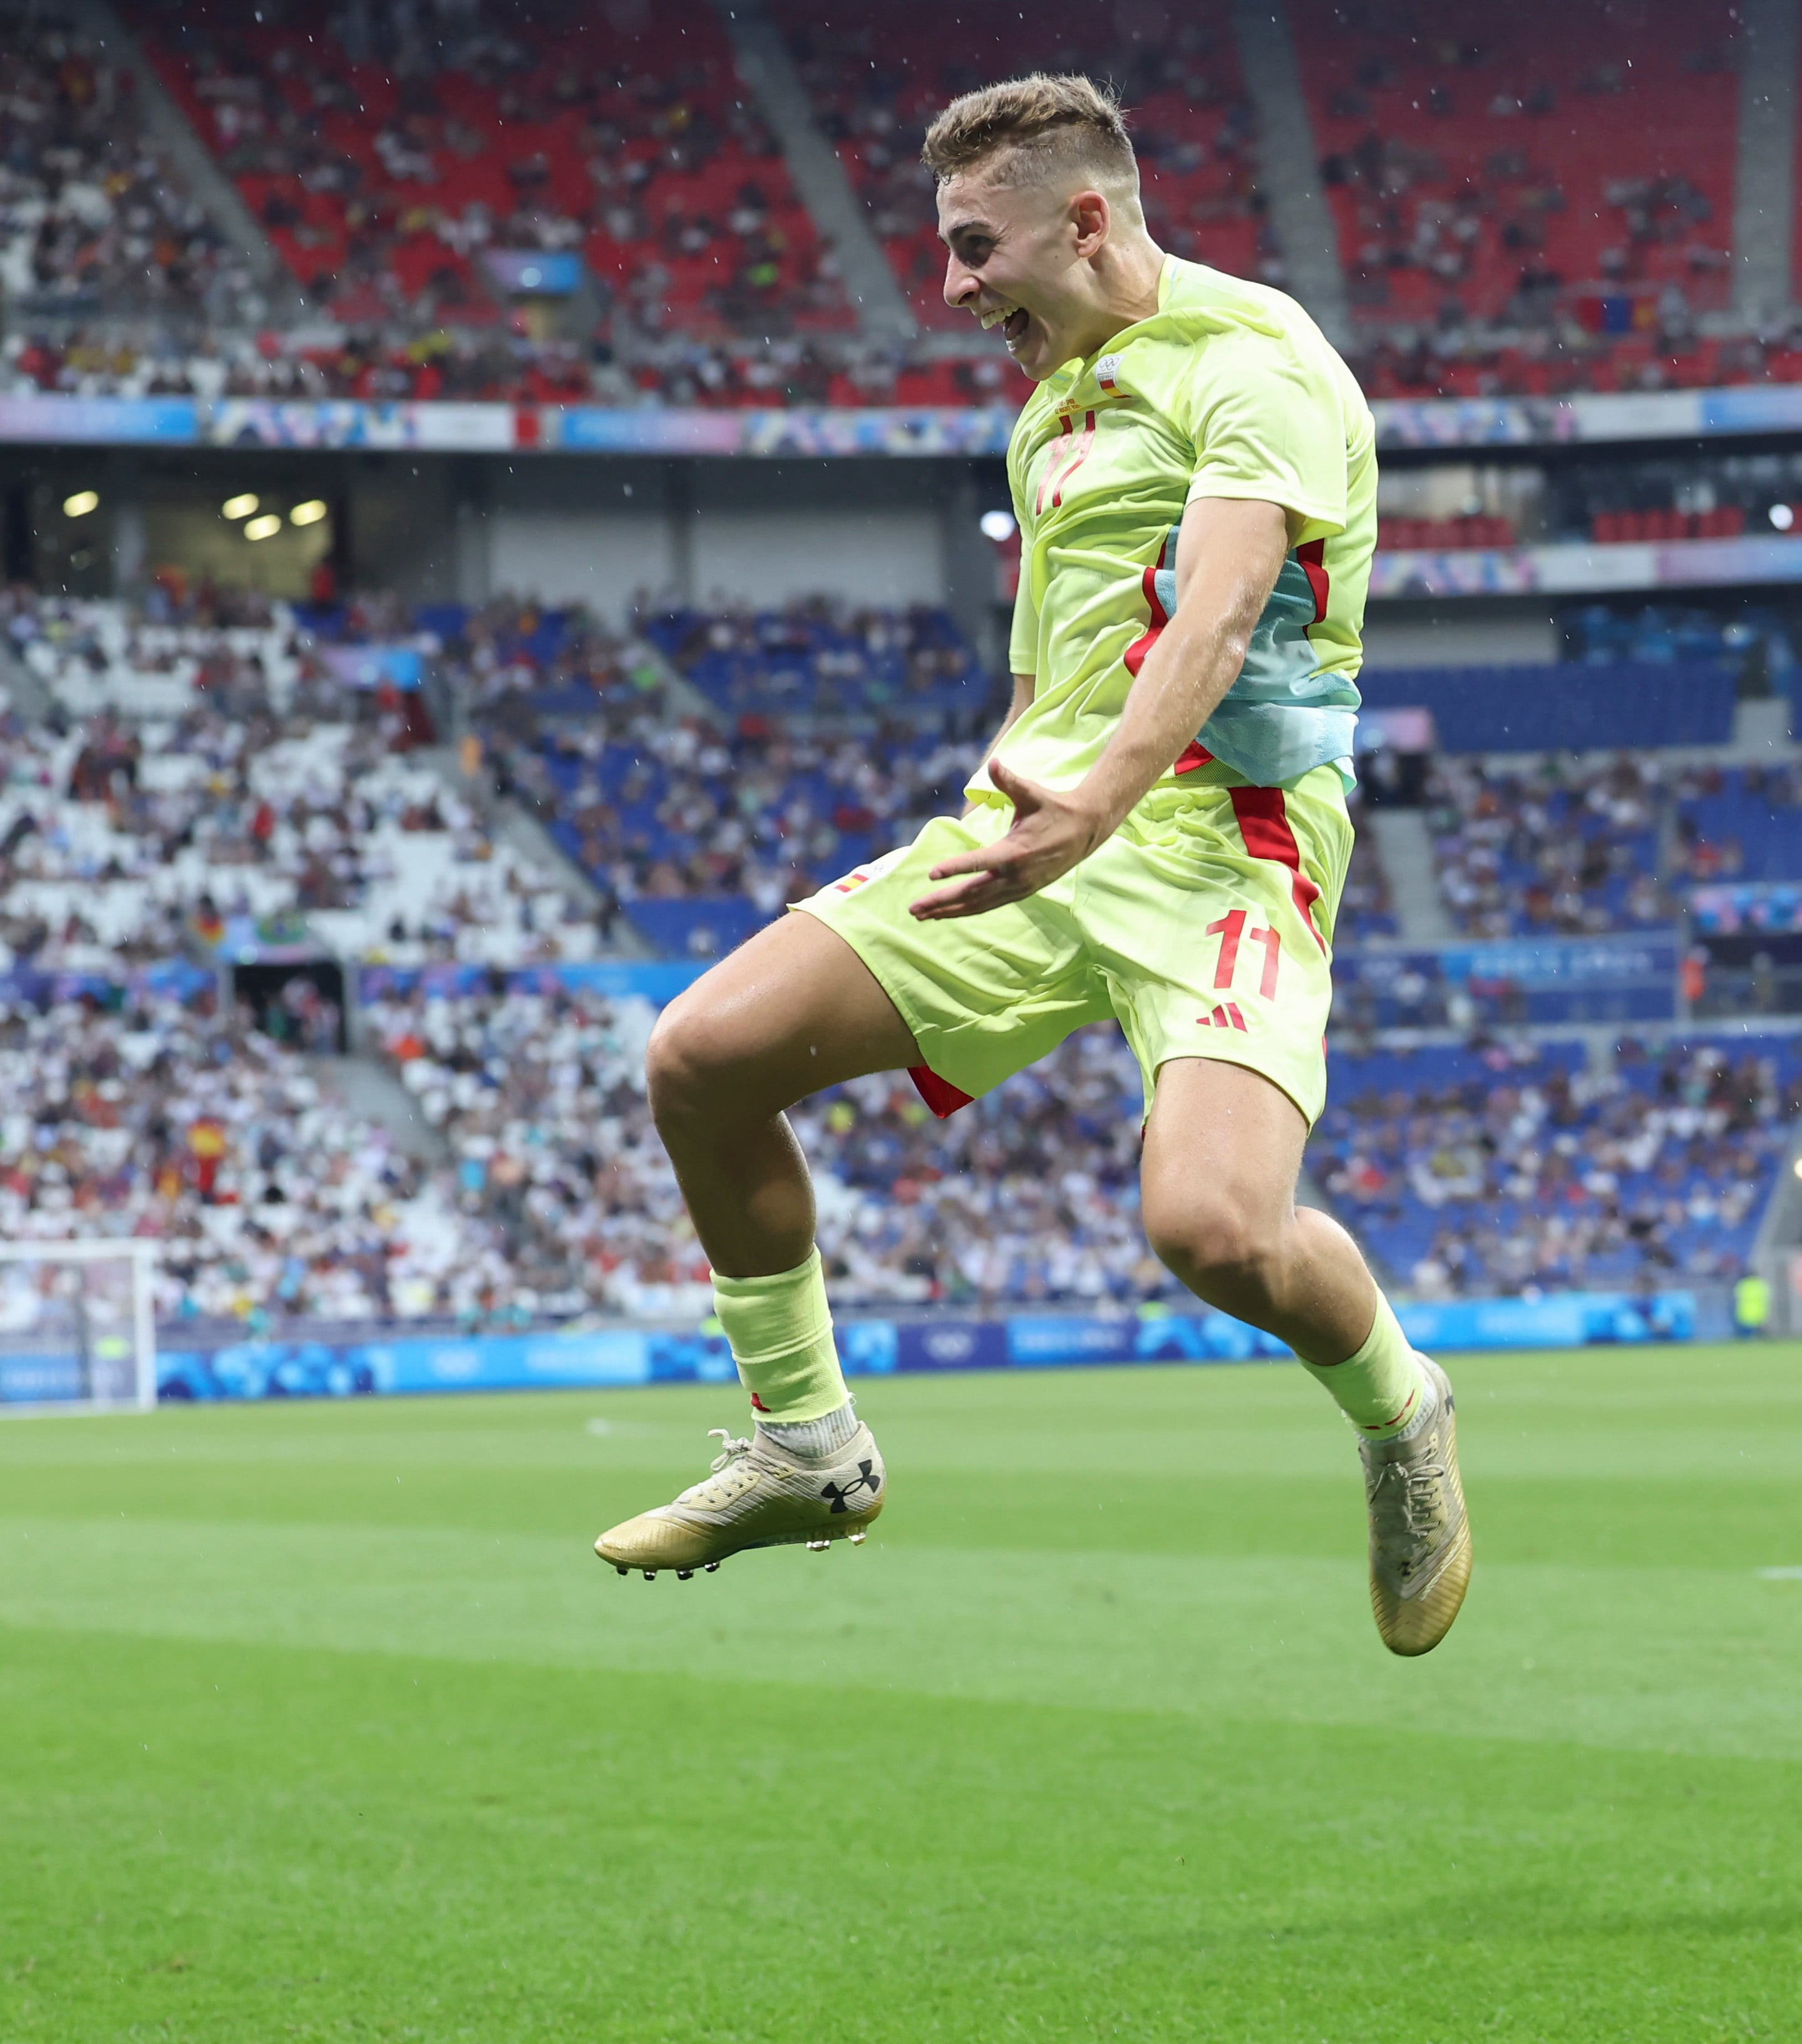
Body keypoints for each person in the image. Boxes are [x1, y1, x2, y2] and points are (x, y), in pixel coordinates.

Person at [590, 74, 1472, 1659]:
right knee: (703, 1054)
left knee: (1214, 1232)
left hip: (1225, 842)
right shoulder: (1050, 412)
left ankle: (1401, 1409)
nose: (953, 288)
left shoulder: (1254, 361)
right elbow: (1041, 677)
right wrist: (1011, 808)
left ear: (1088, 217)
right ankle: (808, 1446)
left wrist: (1103, 796)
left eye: (972, 246)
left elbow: (1214, 610)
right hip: (1044, 826)